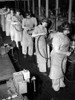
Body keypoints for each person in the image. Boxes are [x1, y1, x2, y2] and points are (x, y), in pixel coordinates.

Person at [49, 22, 71, 91]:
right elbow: (56, 50)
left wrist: (69, 49)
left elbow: (65, 44)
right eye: (67, 30)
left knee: (62, 69)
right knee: (56, 72)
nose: (69, 32)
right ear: (63, 29)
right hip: (57, 56)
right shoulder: (57, 37)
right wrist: (66, 53)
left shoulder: (65, 36)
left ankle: (61, 83)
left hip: (63, 56)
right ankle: (56, 87)